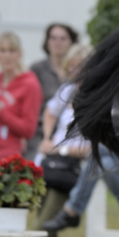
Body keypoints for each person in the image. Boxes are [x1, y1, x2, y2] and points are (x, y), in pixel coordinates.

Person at [33, 43, 92, 237]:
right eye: (71, 66)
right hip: (50, 165)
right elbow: (49, 111)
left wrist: (61, 149)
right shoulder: (67, 91)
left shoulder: (95, 95)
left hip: (71, 169)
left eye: (79, 66)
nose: (74, 70)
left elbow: (92, 146)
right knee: (43, 228)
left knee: (42, 228)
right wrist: (47, 137)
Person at [27, 23, 79, 159]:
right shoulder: (37, 68)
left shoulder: (79, 70)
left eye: (63, 38)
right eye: (53, 38)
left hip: (69, 131)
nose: (58, 42)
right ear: (47, 41)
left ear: (72, 42)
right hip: (39, 130)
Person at [0, 31, 43, 160]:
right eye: (3, 51)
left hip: (9, 158)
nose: (7, 56)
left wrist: (1, 112)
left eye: (12, 51)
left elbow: (28, 130)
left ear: (19, 53)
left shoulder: (29, 84)